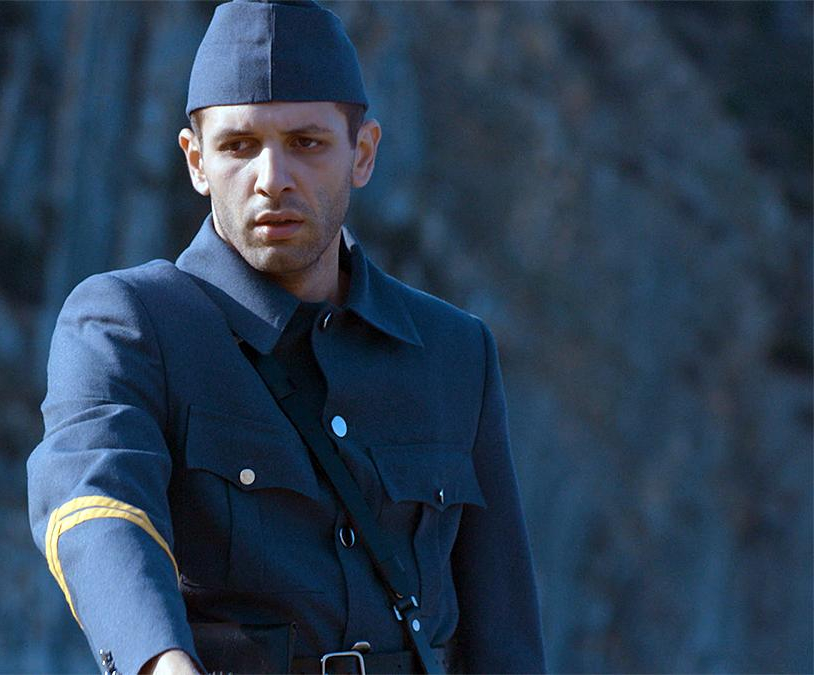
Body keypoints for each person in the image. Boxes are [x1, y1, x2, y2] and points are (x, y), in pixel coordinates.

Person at [27, 1, 546, 673]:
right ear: (196, 160)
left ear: (362, 154)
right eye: (239, 146)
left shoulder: (453, 351)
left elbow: (504, 629)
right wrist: (159, 660)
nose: (272, 180)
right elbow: (95, 505)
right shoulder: (128, 324)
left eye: (306, 143)